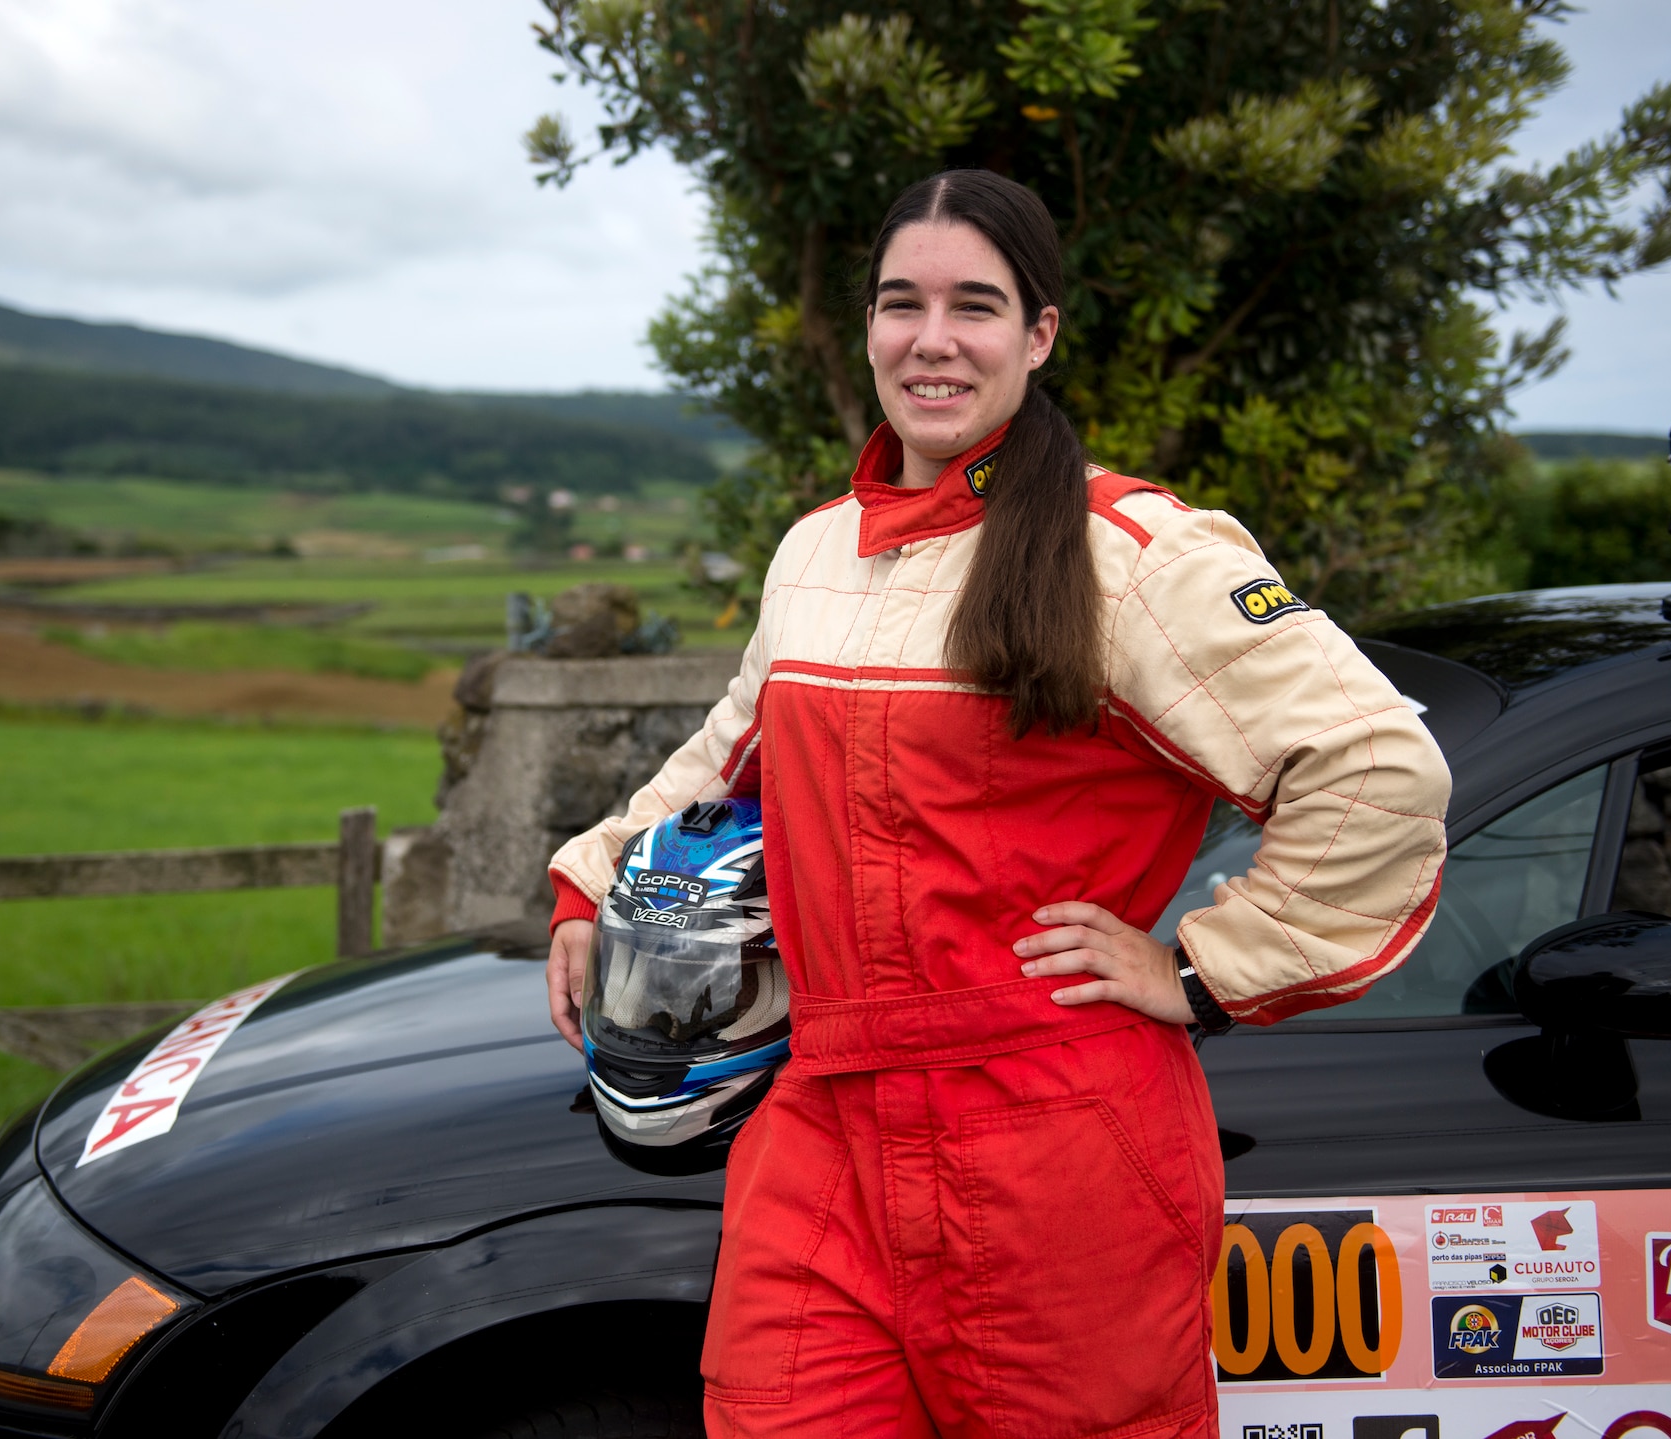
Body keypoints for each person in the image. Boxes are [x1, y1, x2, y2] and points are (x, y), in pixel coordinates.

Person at [545, 170, 1450, 1439]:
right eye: (897, 303)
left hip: (1054, 1146)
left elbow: (1374, 764)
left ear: (1038, 333)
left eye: (974, 306)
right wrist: (595, 875)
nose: (930, 339)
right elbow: (730, 750)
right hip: (822, 1123)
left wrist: (1199, 963)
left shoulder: (1135, 553)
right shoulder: (816, 551)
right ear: (865, 328)